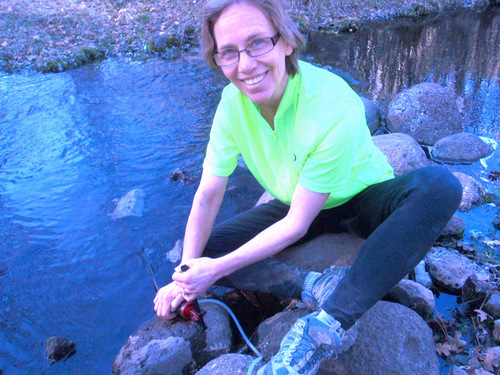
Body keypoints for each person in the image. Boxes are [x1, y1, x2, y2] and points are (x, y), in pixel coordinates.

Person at [153, 0, 463, 373]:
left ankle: (321, 330)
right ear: (217, 59)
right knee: (209, 250)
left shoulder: (330, 103)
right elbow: (208, 194)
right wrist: (189, 275)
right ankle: (315, 284)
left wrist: (213, 272)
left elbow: (297, 225)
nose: (246, 64)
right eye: (229, 52)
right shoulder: (231, 106)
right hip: (297, 203)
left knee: (439, 186)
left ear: (285, 42)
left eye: (257, 43)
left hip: (363, 200)